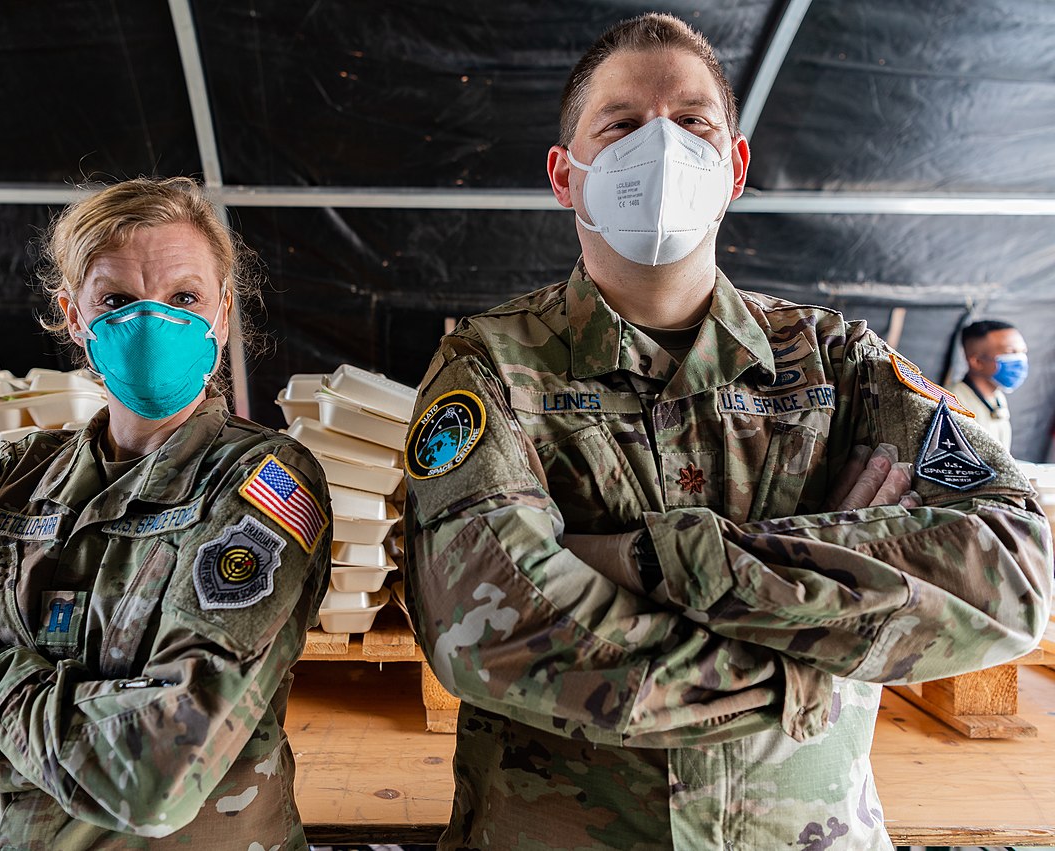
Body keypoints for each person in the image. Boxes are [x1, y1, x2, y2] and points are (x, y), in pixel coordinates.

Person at [403, 14, 1051, 850]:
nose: (662, 146)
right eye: (624, 125)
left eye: (693, 121)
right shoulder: (489, 368)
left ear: (733, 166)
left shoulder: (839, 363)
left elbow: (1013, 569)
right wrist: (813, 650)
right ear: (566, 178)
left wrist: (648, 558)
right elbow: (487, 630)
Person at [0, 177, 332, 849]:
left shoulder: (262, 481)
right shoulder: (6, 482)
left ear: (222, 313)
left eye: (183, 298)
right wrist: (91, 734)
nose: (150, 323)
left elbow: (158, 777)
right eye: (117, 300)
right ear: (74, 314)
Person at [949, 319, 1028, 453]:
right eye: (1010, 352)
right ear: (977, 361)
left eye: (1023, 352)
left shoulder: (998, 397)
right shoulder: (952, 403)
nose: (1021, 360)